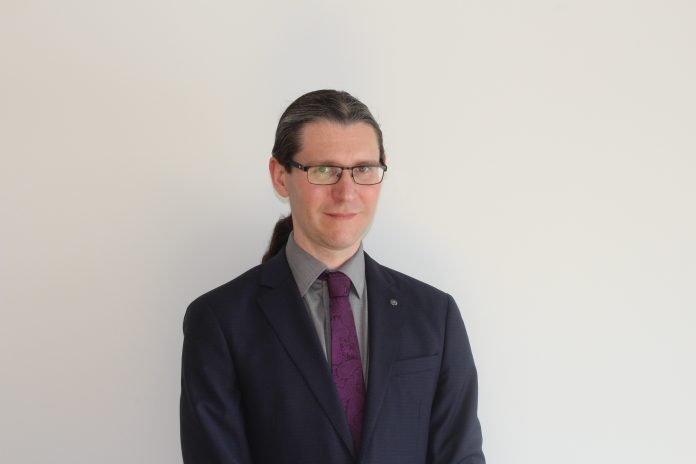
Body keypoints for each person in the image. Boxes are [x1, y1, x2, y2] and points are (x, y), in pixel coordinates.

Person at [180, 90, 485, 464]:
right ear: (280, 176)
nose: (346, 192)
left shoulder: (435, 315)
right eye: (324, 170)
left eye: (363, 169)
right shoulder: (220, 321)